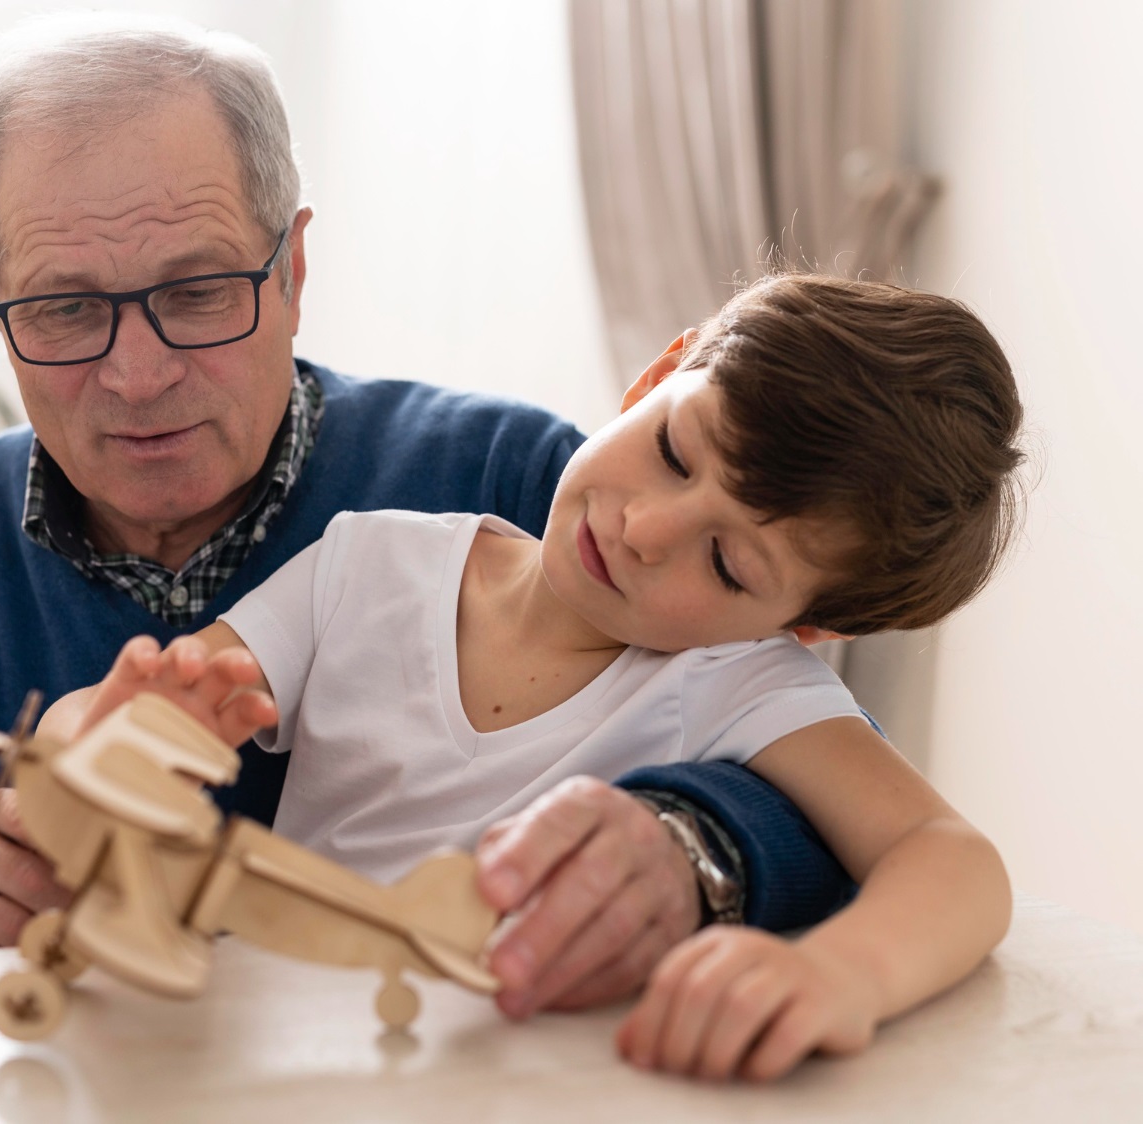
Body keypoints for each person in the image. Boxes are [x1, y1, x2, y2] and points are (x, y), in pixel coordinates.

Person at [0, 14, 858, 1016]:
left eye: (197, 291)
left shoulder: (514, 481)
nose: (137, 374)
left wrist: (692, 847)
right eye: (60, 309)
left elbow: (834, 790)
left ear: (293, 268)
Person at [52, 271, 1025, 1080]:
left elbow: (954, 858)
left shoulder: (739, 680)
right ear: (652, 379)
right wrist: (125, 725)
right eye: (676, 453)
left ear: (801, 625)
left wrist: (840, 973)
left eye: (728, 565)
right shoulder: (368, 563)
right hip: (279, 1067)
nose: (646, 532)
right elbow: (80, 729)